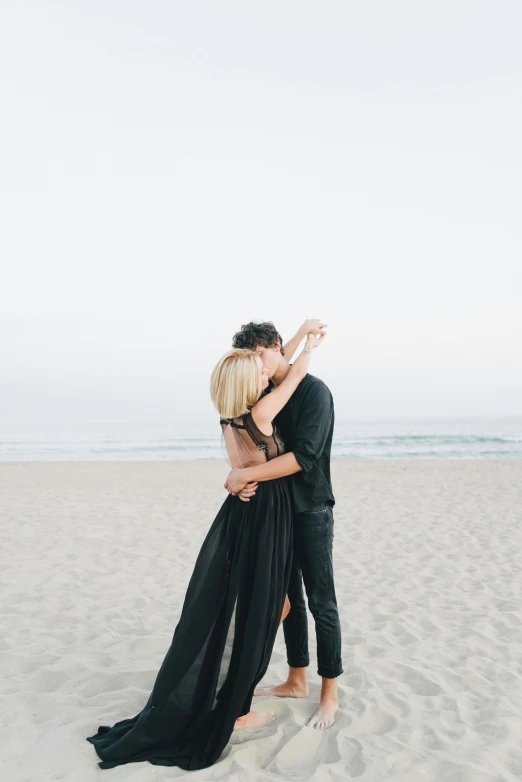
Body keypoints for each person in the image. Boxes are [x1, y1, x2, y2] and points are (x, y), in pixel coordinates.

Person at [85, 325, 324, 771]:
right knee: (266, 606)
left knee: (268, 605)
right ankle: (235, 704)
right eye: (255, 372)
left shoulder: (232, 417)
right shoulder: (262, 415)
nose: (263, 374)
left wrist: (288, 339)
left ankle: (233, 690)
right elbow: (291, 375)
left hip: (243, 516)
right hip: (265, 516)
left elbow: (272, 362)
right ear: (247, 382)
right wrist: (309, 345)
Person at [225, 319, 343, 731]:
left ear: (276, 347)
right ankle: (296, 679)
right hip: (274, 514)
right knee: (286, 598)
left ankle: (329, 693)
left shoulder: (313, 391)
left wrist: (248, 477)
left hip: (310, 508)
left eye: (262, 355)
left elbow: (305, 456)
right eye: (252, 359)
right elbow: (246, 447)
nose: (258, 364)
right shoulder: (263, 392)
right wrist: (239, 477)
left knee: (321, 602)